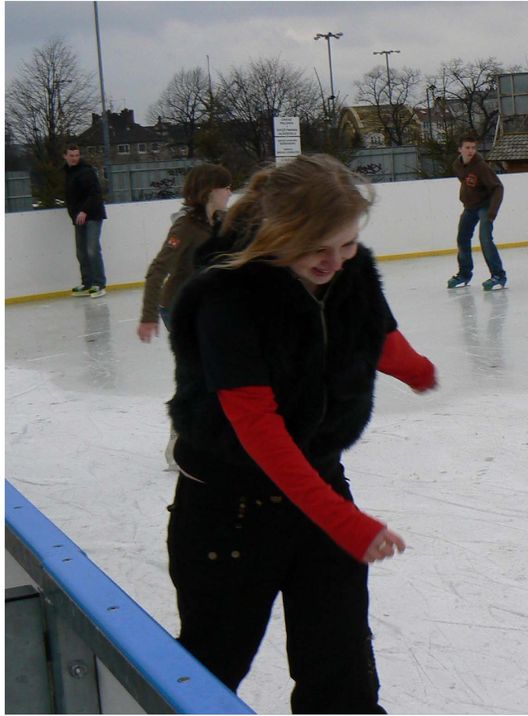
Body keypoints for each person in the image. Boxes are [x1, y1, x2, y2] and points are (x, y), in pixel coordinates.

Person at [165, 154, 437, 713]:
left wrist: (414, 368)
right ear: (279, 231)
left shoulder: (348, 268)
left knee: (343, 677)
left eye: (348, 244)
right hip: (231, 509)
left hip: (318, 477)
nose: (336, 261)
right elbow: (259, 435)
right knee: (208, 671)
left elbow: (373, 329)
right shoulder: (227, 298)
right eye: (320, 247)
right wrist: (345, 521)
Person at [137, 163, 232, 470]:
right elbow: (157, 271)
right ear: (208, 191)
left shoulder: (223, 221)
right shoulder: (185, 228)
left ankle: (206, 436)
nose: (230, 191)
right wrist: (148, 315)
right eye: (224, 186)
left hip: (208, 309)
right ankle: (179, 443)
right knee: (195, 373)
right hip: (178, 308)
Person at [446, 135, 506, 291]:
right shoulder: (457, 165)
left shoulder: (481, 167)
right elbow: (467, 184)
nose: (471, 151)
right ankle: (464, 273)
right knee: (462, 238)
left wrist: (492, 212)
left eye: (473, 147)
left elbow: (498, 187)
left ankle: (498, 275)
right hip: (470, 207)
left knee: (485, 238)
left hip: (485, 207)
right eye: (467, 147)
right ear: (460, 149)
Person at [63, 144, 108, 298]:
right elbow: (71, 198)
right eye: (71, 155)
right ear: (65, 156)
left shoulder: (86, 171)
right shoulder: (67, 173)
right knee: (81, 251)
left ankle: (99, 283)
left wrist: (84, 211)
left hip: (93, 215)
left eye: (77, 155)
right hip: (78, 218)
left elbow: (95, 193)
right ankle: (87, 282)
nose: (74, 158)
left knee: (92, 249)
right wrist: (74, 214)